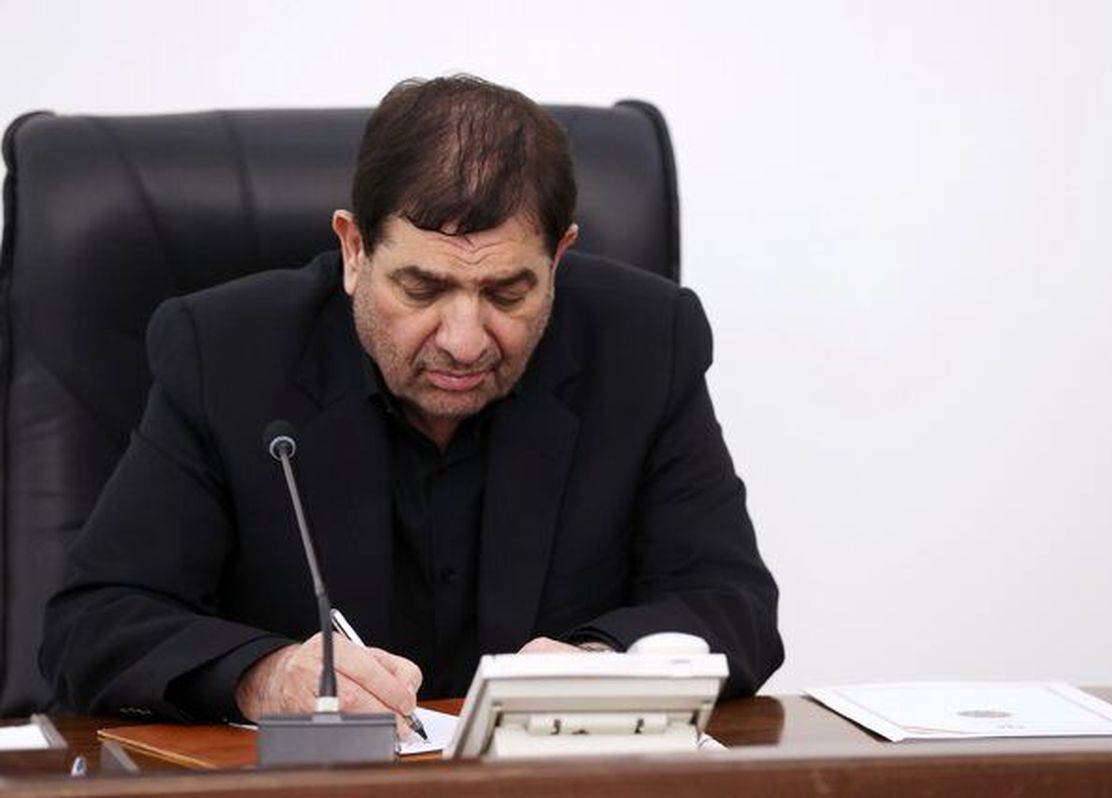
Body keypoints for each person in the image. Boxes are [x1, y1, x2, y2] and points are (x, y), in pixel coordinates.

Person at [40, 75, 783, 730]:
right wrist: (263, 676)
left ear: (559, 257)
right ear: (354, 250)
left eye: (508, 293)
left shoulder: (645, 343)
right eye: (422, 289)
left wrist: (600, 666)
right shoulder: (226, 354)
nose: (464, 341)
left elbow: (732, 603)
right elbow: (94, 625)